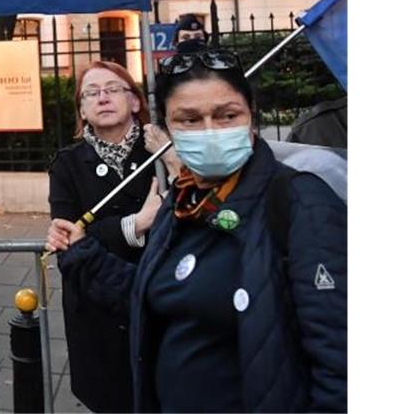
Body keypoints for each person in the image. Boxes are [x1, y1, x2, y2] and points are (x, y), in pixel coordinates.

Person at [47, 49, 346, 412]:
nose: (210, 131)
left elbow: (340, 366)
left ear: (251, 117)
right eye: (189, 120)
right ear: (169, 129)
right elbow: (155, 295)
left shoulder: (300, 203)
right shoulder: (184, 201)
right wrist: (84, 254)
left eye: (227, 115)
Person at [47, 60, 163, 413]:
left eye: (113, 89)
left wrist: (171, 156)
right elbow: (68, 244)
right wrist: (137, 223)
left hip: (156, 302)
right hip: (96, 313)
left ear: (135, 101)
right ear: (82, 109)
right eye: (92, 93)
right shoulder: (67, 163)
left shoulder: (160, 153)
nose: (103, 98)